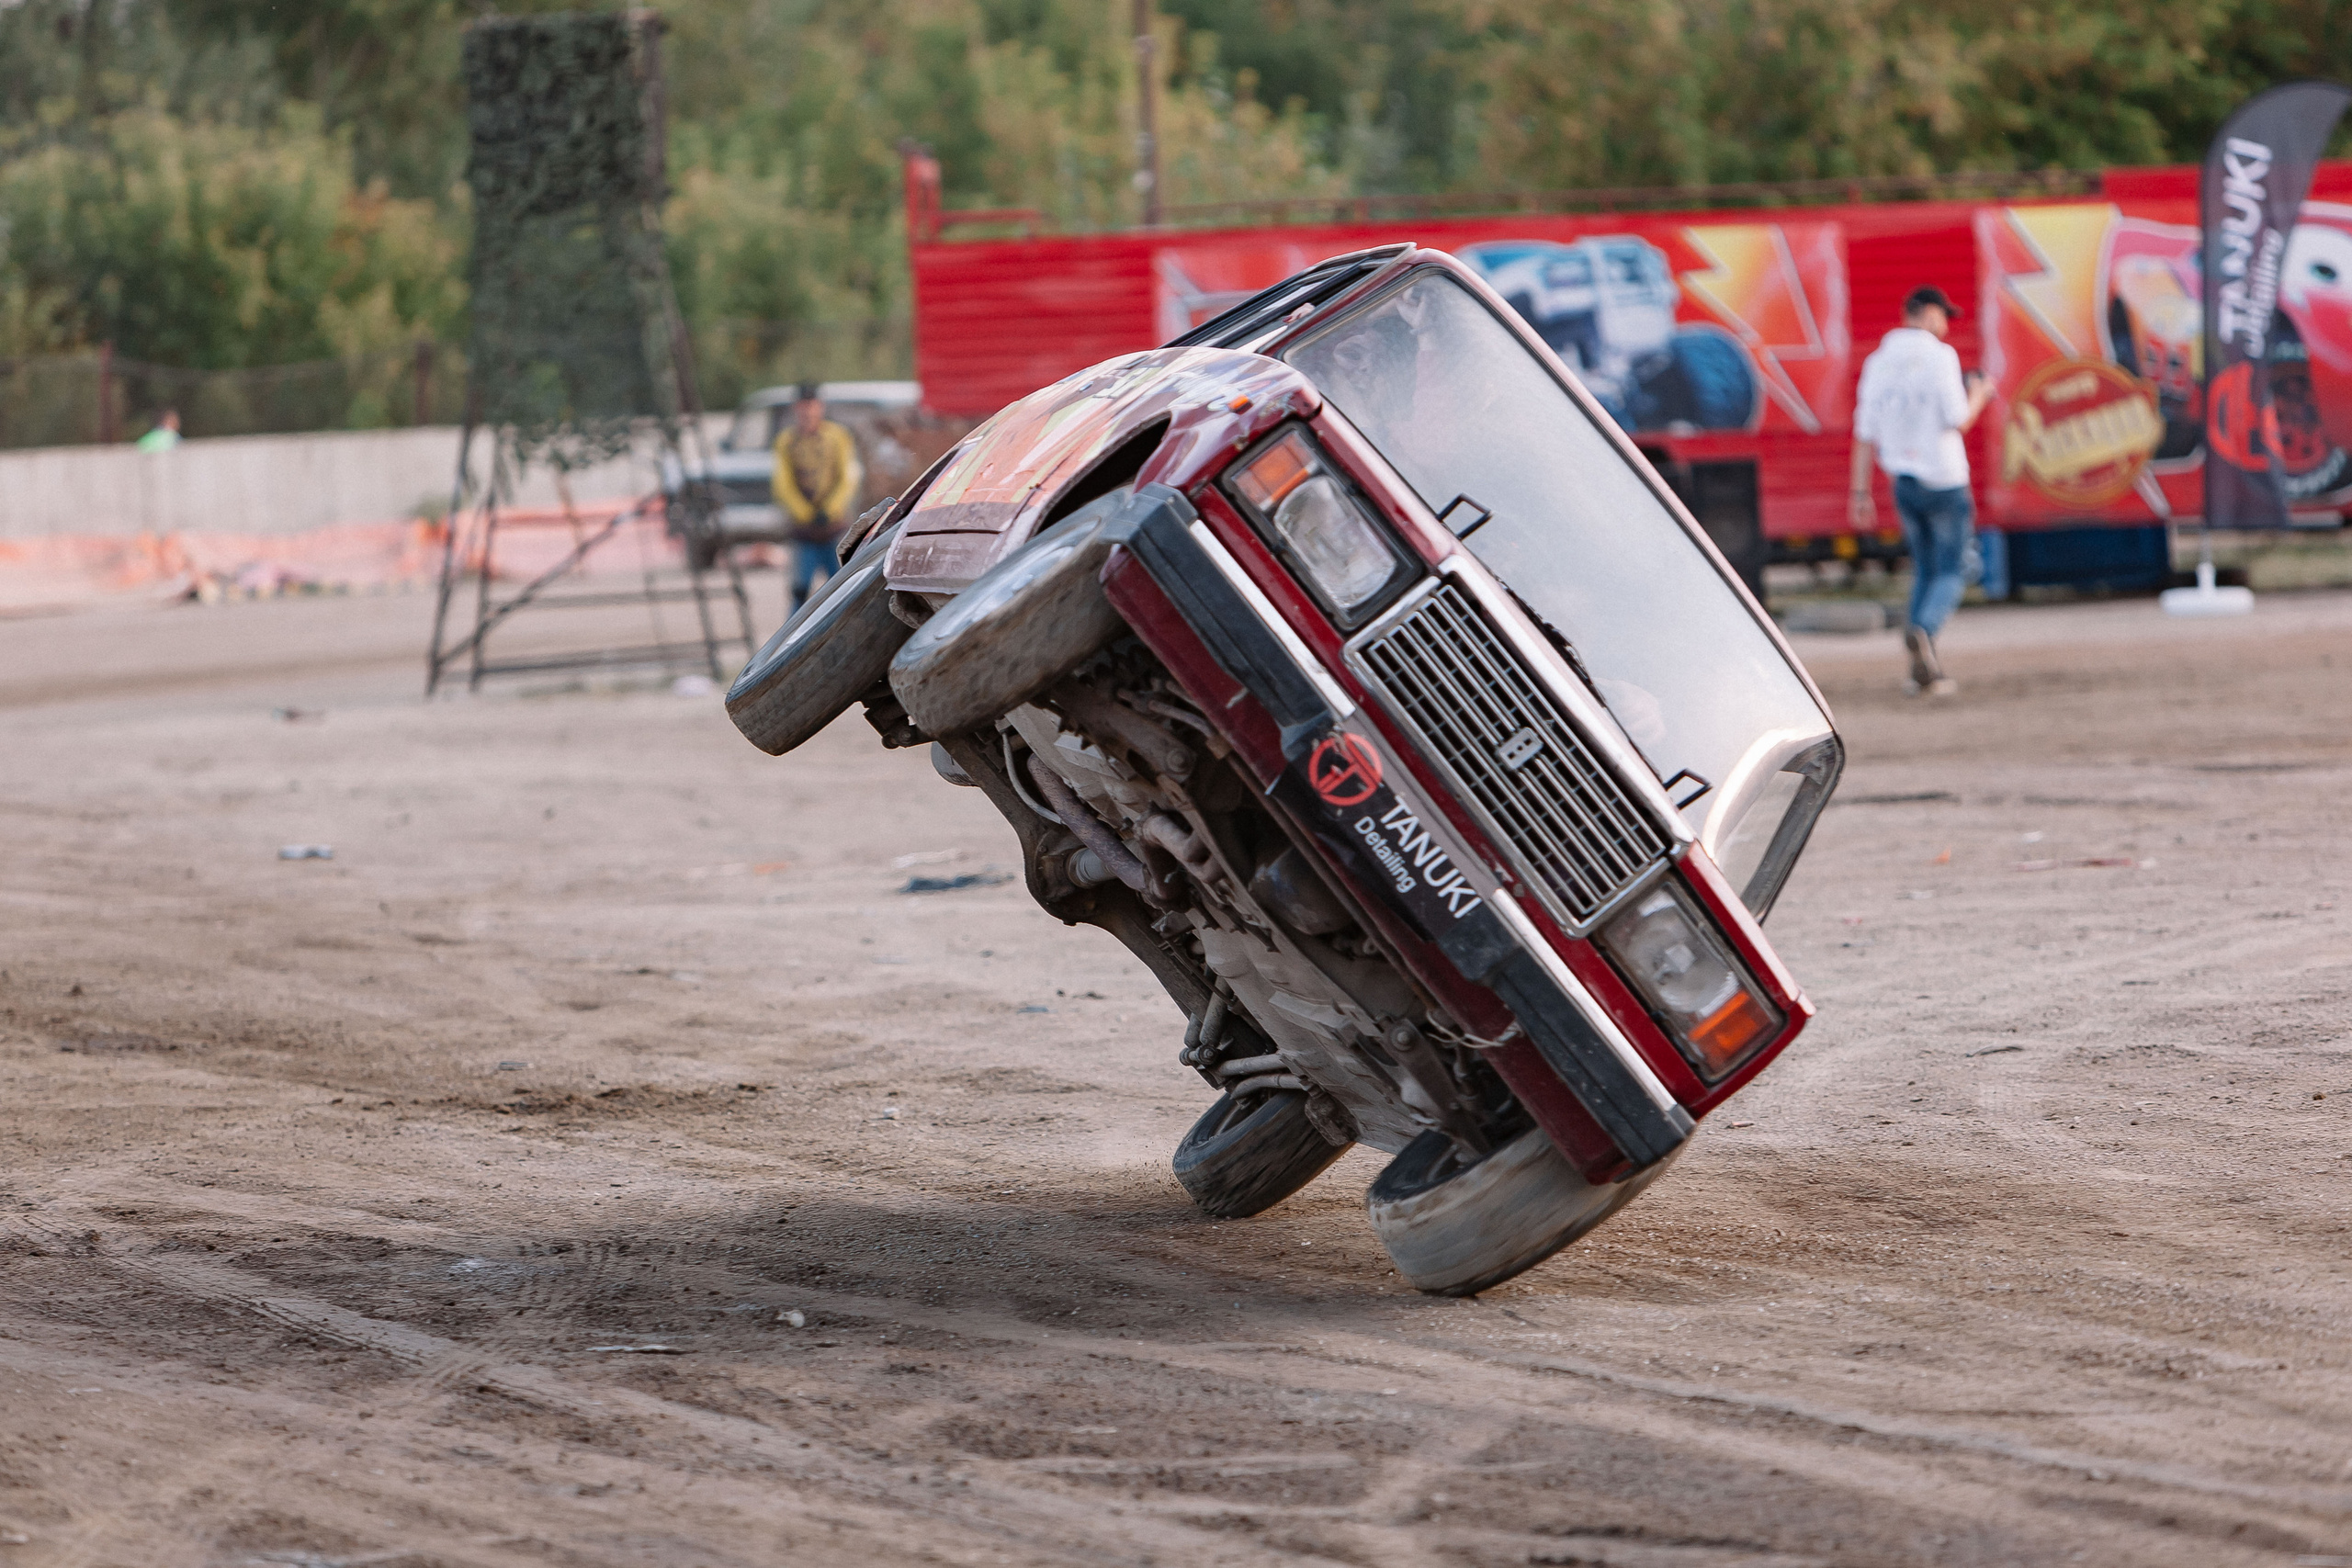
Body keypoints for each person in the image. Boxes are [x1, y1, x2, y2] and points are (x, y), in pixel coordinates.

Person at [1850, 286, 1993, 696]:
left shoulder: (1878, 361)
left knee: (1925, 571)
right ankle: (1924, 632)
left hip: (1904, 481)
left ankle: (1919, 668)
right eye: (1944, 316)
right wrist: (1980, 395)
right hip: (1945, 479)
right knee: (1951, 571)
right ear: (1929, 314)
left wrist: (1860, 493)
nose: (1946, 325)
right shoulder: (1940, 356)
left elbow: (1864, 432)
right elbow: (1958, 418)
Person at [771, 381, 863, 613]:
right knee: (800, 590)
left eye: (811, 405)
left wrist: (830, 508)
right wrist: (804, 512)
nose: (807, 411)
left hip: (833, 526)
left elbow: (848, 477)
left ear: (819, 407)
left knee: (842, 588)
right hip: (804, 530)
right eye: (802, 405)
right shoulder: (787, 441)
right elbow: (783, 482)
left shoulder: (837, 436)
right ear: (796, 408)